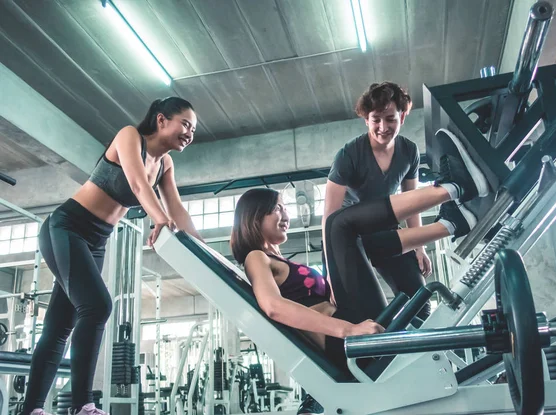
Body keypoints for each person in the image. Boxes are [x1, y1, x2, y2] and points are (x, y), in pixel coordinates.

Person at [230, 131, 488, 412]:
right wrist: (348, 330)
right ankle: (453, 188)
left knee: (362, 242)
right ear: (254, 217)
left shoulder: (275, 257)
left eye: (284, 207)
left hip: (348, 331)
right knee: (338, 225)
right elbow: (274, 307)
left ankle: (451, 225)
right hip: (346, 344)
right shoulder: (256, 257)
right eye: (276, 209)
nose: (285, 215)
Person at [23, 97, 204, 415]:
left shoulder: (165, 164)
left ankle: (31, 409)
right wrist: (158, 219)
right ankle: (83, 405)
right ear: (162, 120)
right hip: (67, 227)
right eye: (185, 124)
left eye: (193, 128)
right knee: (97, 306)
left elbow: (177, 209)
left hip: (96, 241)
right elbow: (136, 183)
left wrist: (204, 251)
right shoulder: (129, 136)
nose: (190, 132)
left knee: (60, 324)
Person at [323, 81, 439, 320]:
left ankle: (411, 353)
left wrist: (419, 247)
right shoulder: (348, 155)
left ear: (402, 117)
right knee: (368, 313)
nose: (383, 127)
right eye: (376, 119)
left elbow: (411, 202)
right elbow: (329, 220)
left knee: (420, 304)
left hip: (385, 231)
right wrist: (330, 274)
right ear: (366, 119)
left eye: (390, 119)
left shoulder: (409, 151)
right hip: (351, 238)